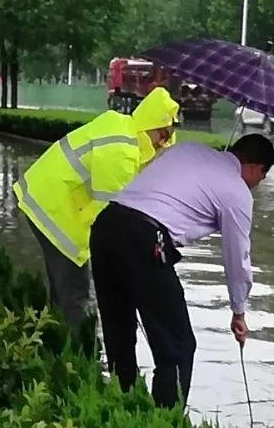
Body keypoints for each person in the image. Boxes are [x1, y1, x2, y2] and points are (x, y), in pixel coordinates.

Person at [89, 133, 274, 408]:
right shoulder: (237, 192)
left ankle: (121, 406)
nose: (256, 186)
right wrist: (239, 311)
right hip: (145, 239)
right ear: (256, 168)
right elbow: (237, 259)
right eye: (261, 178)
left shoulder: (187, 149)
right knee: (177, 348)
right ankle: (166, 426)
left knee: (119, 332)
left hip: (106, 225)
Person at [13, 86, 179, 335]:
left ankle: (52, 342)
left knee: (65, 289)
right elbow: (112, 219)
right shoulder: (122, 152)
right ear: (151, 128)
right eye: (163, 137)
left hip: (48, 199)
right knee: (76, 293)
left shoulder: (122, 129)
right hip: (55, 210)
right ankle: (75, 356)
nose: (162, 145)